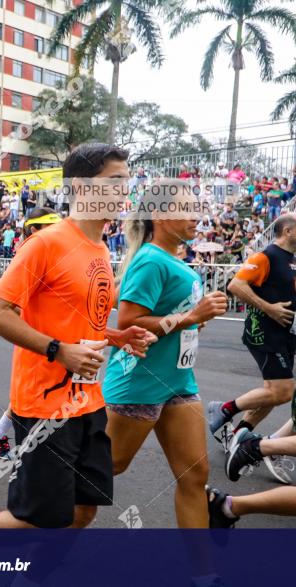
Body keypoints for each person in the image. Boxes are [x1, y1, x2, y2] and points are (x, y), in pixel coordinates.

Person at [0, 143, 152, 529]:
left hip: (89, 400)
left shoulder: (98, 247)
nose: (126, 189)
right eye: (115, 180)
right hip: (45, 405)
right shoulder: (46, 243)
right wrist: (59, 351)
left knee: (84, 509)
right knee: (40, 517)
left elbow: (78, 322)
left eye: (128, 180)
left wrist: (117, 336)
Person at [103, 180, 228, 528]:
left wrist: (191, 324)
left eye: (197, 209)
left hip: (179, 382)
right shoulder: (150, 261)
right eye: (187, 209)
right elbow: (131, 322)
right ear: (159, 213)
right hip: (139, 380)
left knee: (194, 475)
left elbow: (168, 319)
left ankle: (203, 576)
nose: (196, 217)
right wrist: (191, 317)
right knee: (109, 465)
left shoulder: (176, 262)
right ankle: (38, 509)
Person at [208, 214, 296, 448]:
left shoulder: (291, 258)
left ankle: (237, 436)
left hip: (286, 336)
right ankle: (224, 408)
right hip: (265, 334)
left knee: (272, 392)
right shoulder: (266, 255)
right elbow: (235, 285)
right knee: (283, 391)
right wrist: (270, 309)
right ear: (288, 231)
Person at [0, 208, 61, 460]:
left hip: (49, 337)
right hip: (36, 338)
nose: (56, 231)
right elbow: (7, 305)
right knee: (31, 393)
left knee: (36, 392)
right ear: (33, 229)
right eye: (49, 226)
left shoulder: (50, 252)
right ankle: (4, 437)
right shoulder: (31, 252)